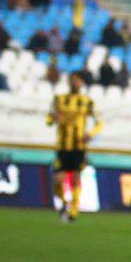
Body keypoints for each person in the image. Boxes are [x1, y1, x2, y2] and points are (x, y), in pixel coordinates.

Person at [47, 73, 102, 223]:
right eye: (73, 80)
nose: (75, 82)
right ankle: (65, 203)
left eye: (78, 80)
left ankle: (74, 210)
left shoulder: (87, 102)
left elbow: (99, 123)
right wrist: (54, 118)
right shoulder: (59, 100)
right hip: (63, 147)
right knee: (57, 180)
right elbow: (49, 119)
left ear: (82, 83)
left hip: (78, 146)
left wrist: (91, 134)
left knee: (76, 177)